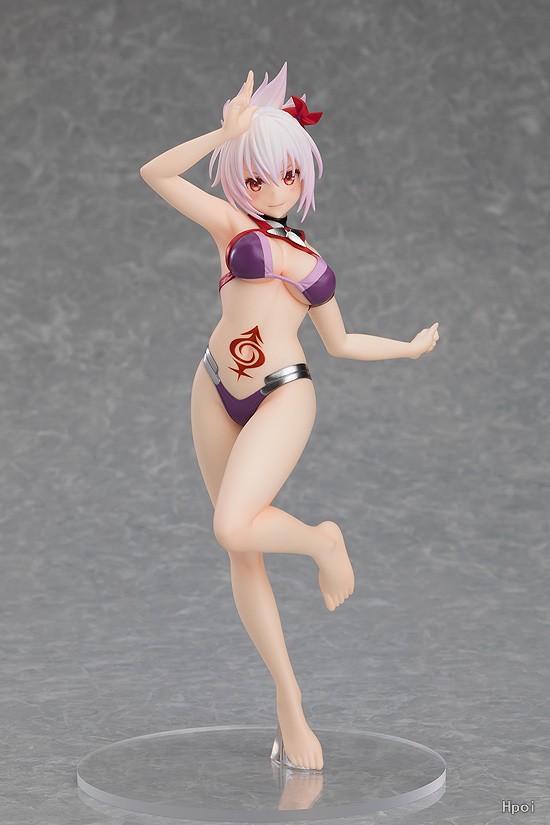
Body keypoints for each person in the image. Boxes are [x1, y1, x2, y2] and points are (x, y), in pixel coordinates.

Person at [139, 63, 439, 772]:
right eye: (256, 176)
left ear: (303, 175)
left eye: (288, 175)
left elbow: (340, 341)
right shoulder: (228, 224)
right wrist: (223, 133)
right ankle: (290, 702)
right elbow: (156, 173)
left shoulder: (311, 260)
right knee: (241, 551)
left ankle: (320, 540)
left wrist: (406, 348)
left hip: (281, 392)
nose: (274, 190)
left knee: (232, 524)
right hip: (214, 385)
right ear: (238, 179)